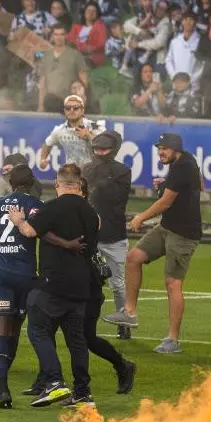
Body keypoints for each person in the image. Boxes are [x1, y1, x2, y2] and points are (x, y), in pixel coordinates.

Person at [5, 163, 101, 407]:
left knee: (37, 329)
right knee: (76, 340)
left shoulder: (51, 208)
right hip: (82, 284)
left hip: (53, 281)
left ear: (57, 184)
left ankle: (55, 382)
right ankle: (83, 392)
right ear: (79, 185)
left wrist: (18, 220)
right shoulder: (92, 213)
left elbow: (28, 231)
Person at [103, 132, 202, 355]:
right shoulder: (184, 162)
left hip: (184, 233)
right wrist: (167, 183)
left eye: (164, 149)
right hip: (168, 227)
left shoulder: (182, 166)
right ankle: (129, 312)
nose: (160, 153)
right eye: (159, 149)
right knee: (133, 257)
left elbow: (166, 202)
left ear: (175, 148)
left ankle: (172, 339)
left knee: (172, 283)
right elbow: (198, 185)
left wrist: (140, 218)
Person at [0, 163, 44, 409]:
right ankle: (0, 387)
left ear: (11, 183)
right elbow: (35, 232)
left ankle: (1, 388)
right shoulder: (37, 206)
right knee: (14, 330)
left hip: (0, 272)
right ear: (32, 184)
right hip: (24, 273)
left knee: (0, 328)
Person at [82, 130, 132, 338]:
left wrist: (99, 177)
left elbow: (115, 197)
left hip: (113, 234)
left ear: (114, 150)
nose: (100, 152)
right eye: (96, 149)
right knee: (84, 279)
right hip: (90, 233)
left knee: (117, 283)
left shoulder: (122, 171)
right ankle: (82, 322)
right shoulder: (88, 168)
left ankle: (124, 323)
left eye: (104, 149)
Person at [38, 94, 99, 169]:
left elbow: (103, 145)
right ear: (64, 111)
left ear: (82, 110)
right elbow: (47, 143)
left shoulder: (92, 126)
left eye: (76, 108)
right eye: (68, 108)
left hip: (92, 172)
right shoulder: (60, 130)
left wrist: (89, 135)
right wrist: (43, 159)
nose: (71, 110)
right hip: (72, 173)